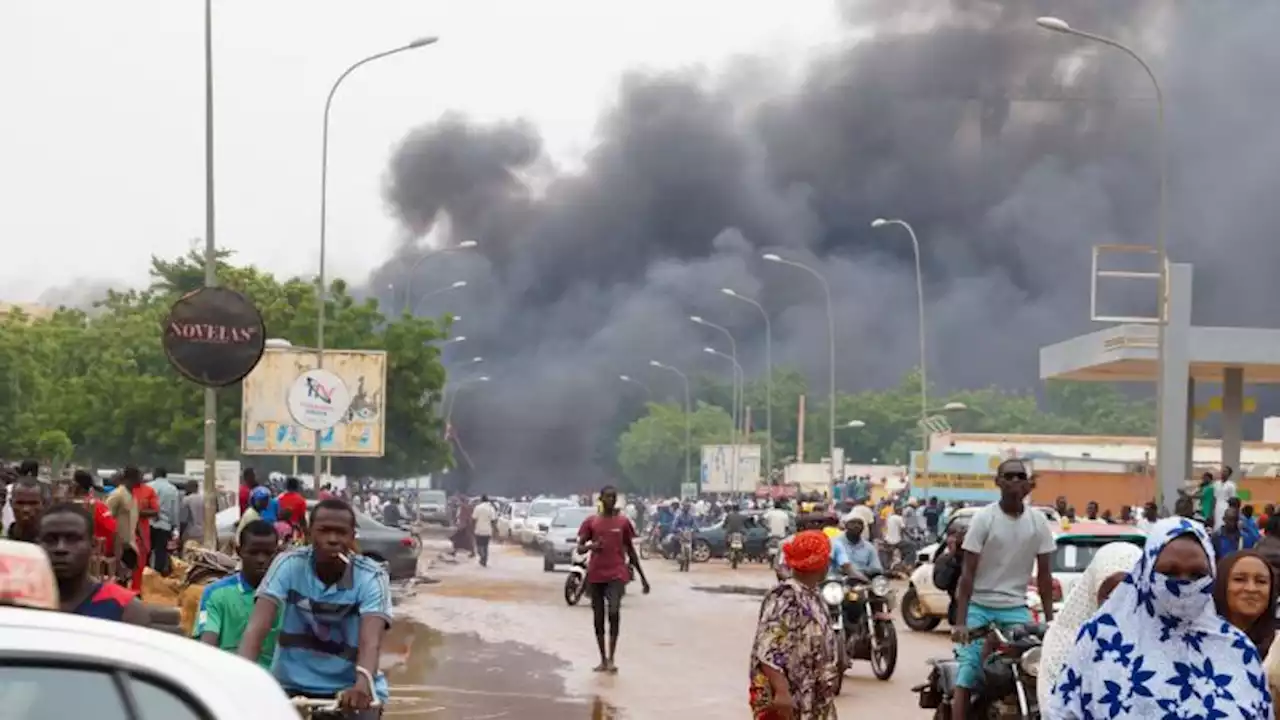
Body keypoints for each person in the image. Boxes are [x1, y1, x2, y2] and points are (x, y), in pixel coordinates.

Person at [1047, 517, 1272, 719]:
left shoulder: (1237, 650)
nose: (1183, 584)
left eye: (1197, 574)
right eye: (1170, 573)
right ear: (1145, 574)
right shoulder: (1102, 641)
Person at [239, 499, 391, 718]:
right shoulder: (288, 565)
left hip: (350, 691)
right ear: (309, 534)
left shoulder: (371, 577)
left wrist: (361, 686)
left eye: (341, 533)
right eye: (323, 531)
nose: (332, 539)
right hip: (290, 688)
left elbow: (371, 642)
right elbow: (256, 629)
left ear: (352, 537)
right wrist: (240, 679)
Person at [950, 459, 1056, 720]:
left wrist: (1052, 621)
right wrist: (961, 623)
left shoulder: (1039, 522)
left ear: (1028, 484)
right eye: (1009, 476)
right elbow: (967, 575)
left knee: (1033, 669)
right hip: (979, 607)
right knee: (969, 670)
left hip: (1016, 610)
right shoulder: (984, 519)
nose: (1015, 482)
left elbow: (1044, 577)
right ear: (998, 482)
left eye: (1021, 476)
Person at [1036, 541, 1142, 713]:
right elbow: (1053, 709)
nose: (1119, 604)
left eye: (1129, 594)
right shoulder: (1064, 641)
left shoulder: (1159, 640)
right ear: (1094, 592)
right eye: (1110, 595)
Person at [749, 530, 837, 719]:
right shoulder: (786, 597)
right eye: (825, 558)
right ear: (817, 564)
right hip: (791, 697)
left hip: (813, 695)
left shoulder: (813, 595)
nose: (828, 564)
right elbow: (768, 648)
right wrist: (782, 692)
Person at [576, 485, 650, 674]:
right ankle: (602, 659)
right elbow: (580, 548)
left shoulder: (623, 523)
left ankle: (612, 658)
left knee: (614, 611)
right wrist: (593, 546)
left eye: (613, 497)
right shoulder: (591, 522)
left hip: (616, 573)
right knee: (598, 616)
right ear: (600, 499)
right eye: (607, 497)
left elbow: (631, 551)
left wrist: (643, 578)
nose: (611, 500)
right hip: (595, 574)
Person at [38, 502, 148, 624]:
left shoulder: (123, 607)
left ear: (94, 545)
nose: (61, 548)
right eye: (50, 539)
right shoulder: (20, 603)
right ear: (36, 545)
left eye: (72, 539)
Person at [196, 519, 283, 669]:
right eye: (254, 552)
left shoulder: (286, 596)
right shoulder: (215, 593)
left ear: (278, 553)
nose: (261, 560)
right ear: (239, 551)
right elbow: (207, 646)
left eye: (268, 553)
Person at [1214, 550, 1277, 680]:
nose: (1251, 589)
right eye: (1239, 579)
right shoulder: (1198, 643)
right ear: (1221, 584)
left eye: (1261, 581)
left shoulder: (1277, 649)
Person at [105, 470, 140, 590]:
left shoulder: (132, 496)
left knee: (126, 579)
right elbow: (107, 519)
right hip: (119, 545)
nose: (142, 480)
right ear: (132, 478)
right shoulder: (117, 495)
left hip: (130, 544)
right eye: (140, 477)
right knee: (119, 581)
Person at [128, 467, 159, 583]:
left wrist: (136, 512)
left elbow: (155, 511)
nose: (141, 478)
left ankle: (137, 592)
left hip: (141, 535)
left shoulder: (148, 491)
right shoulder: (122, 492)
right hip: (124, 533)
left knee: (139, 564)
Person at [148, 467, 180, 575]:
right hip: (164, 525)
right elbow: (175, 510)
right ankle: (157, 576)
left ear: (154, 474)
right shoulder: (172, 489)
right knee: (160, 552)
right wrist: (175, 525)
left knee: (147, 551)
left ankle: (145, 574)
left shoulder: (148, 486)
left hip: (148, 523)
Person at [8, 477, 46, 542]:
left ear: (43, 504)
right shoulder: (2, 539)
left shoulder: (50, 543)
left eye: (33, 503)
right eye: (20, 503)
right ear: (11, 503)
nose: (26, 509)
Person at [471, 495, 497, 567]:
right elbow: (493, 520)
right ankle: (484, 560)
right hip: (488, 530)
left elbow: (473, 518)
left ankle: (482, 556)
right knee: (485, 546)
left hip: (479, 530)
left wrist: (472, 528)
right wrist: (494, 530)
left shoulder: (478, 508)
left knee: (479, 546)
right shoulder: (491, 508)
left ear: (481, 500)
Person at [180, 479, 206, 547]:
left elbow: (183, 519)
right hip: (203, 533)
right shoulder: (204, 499)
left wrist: (180, 535)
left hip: (190, 532)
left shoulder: (186, 499)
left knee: (189, 554)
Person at [1215, 466, 1240, 530]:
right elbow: (1214, 498)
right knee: (1216, 524)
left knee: (1224, 523)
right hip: (1217, 507)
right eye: (1222, 471)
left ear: (1229, 474)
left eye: (1225, 471)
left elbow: (1233, 499)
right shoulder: (1216, 484)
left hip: (1226, 508)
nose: (1223, 472)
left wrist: (1233, 511)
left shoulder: (1232, 485)